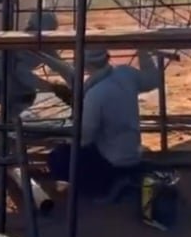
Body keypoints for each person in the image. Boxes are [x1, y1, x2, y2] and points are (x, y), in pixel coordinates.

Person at [48, 46, 159, 197]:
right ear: (107, 57)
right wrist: (142, 49)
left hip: (111, 162)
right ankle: (124, 178)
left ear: (85, 64)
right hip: (133, 154)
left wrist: (64, 136)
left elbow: (84, 138)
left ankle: (105, 188)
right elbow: (153, 79)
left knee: (59, 157)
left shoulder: (95, 94)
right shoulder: (126, 74)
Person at [0, 9, 73, 130]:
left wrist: (74, 88)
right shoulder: (26, 44)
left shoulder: (31, 41)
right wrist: (53, 87)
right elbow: (22, 74)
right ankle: (2, 124)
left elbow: (63, 68)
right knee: (27, 93)